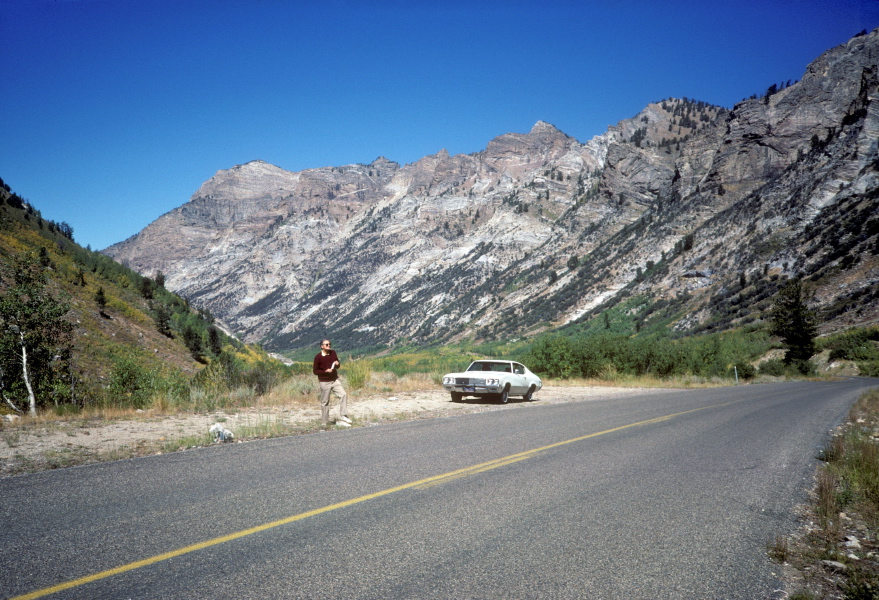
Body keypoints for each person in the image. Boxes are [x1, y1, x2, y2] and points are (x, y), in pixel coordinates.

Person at [312, 339, 351, 427]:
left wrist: (337, 364)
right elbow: (315, 371)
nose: (329, 346)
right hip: (324, 381)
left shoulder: (333, 353)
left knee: (343, 394)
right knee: (325, 401)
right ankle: (325, 421)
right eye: (327, 345)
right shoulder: (318, 357)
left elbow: (337, 365)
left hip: (334, 379)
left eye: (329, 344)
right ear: (322, 346)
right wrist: (325, 371)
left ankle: (343, 415)